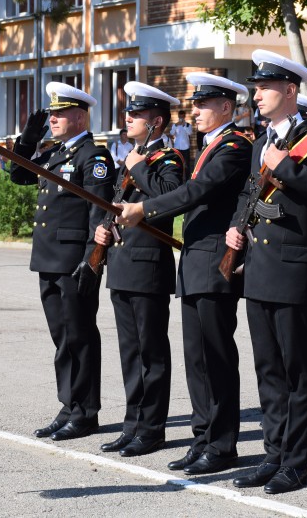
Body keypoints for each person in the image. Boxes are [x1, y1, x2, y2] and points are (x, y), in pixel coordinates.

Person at [116, 73, 252, 476]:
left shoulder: (234, 146)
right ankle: (202, 439)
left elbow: (196, 193)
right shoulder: (210, 145)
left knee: (216, 357)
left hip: (214, 263)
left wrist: (145, 209)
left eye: (202, 105)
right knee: (198, 360)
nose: (194, 112)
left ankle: (222, 444)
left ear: (226, 108)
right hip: (196, 262)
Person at [226, 49, 307, 494]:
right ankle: (273, 454)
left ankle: (296, 463)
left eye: (264, 87)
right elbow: (248, 194)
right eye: (256, 87)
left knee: (299, 370)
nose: (256, 94)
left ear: (290, 90)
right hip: (258, 267)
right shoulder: (260, 141)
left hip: (294, 269)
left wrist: (287, 167)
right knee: (268, 369)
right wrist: (235, 230)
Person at [10, 82, 116, 442]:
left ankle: (86, 412)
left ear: (80, 116)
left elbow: (99, 214)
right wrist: (28, 136)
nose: (52, 119)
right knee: (62, 338)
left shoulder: (93, 156)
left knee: (80, 335)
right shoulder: (56, 154)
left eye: (59, 114)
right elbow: (20, 174)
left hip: (74, 261)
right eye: (50, 114)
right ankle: (69, 405)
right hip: (49, 259)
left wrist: (92, 261)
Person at [94, 81, 183, 458]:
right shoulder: (131, 156)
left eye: (137, 114)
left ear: (156, 122)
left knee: (151, 353)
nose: (128, 118)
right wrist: (105, 226)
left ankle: (152, 428)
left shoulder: (168, 159)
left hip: (148, 267)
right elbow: (119, 205)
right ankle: (132, 425)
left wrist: (136, 167)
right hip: (122, 263)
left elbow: (166, 201)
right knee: (130, 353)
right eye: (129, 113)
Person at [169, 110, 192, 174]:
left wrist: (184, 126)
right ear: (178, 117)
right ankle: (179, 177)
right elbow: (171, 133)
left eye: (182, 117)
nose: (181, 118)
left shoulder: (188, 125)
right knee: (178, 163)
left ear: (184, 117)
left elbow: (190, 133)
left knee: (187, 164)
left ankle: (187, 178)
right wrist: (175, 126)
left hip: (186, 147)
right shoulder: (175, 125)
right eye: (180, 117)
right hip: (177, 147)